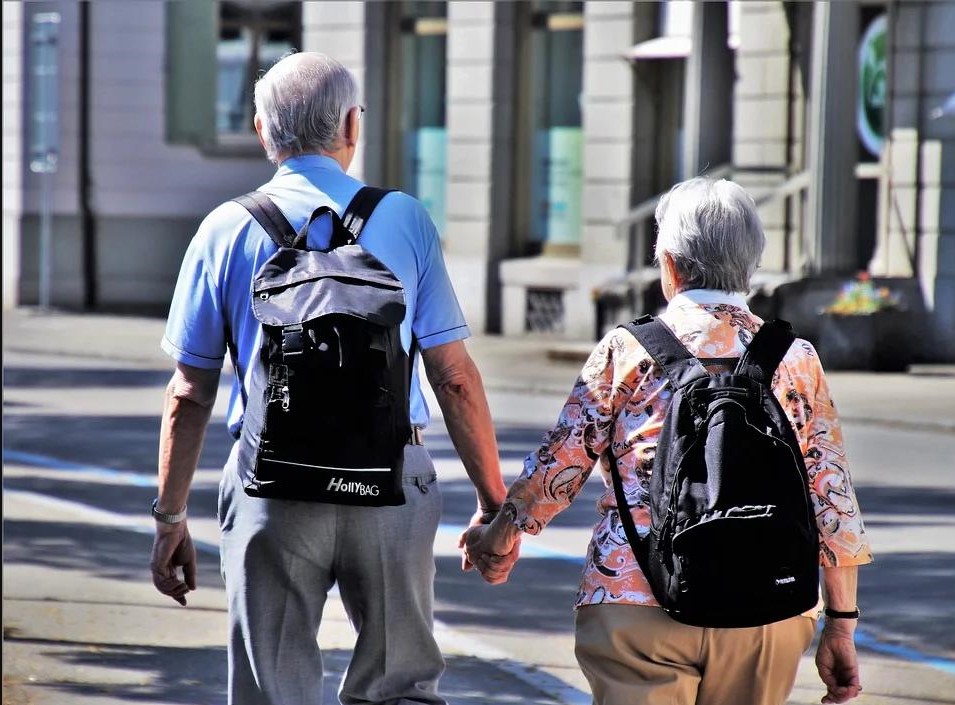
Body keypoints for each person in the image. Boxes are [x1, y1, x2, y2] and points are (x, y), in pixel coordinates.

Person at [149, 51, 511, 705]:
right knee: (399, 683)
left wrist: (170, 517)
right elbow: (453, 375)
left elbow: (189, 393)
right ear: (351, 125)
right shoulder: (403, 219)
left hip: (272, 490)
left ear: (263, 130)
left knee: (272, 688)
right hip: (391, 485)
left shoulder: (224, 228)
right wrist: (492, 502)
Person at [462, 176, 873, 705]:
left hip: (635, 597)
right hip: (766, 610)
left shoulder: (627, 350)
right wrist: (840, 624)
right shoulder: (796, 359)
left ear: (670, 265)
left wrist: (500, 534)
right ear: (751, 264)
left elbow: (559, 467)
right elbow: (831, 498)